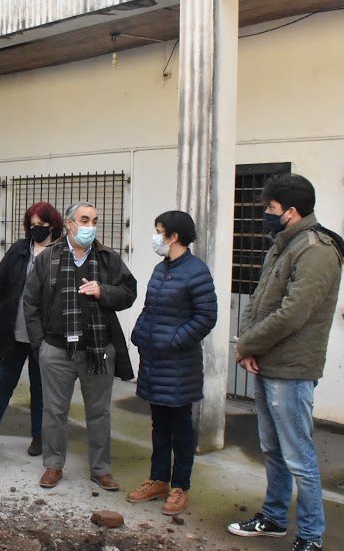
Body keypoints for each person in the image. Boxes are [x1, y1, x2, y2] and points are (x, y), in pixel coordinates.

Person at [227, 174, 344, 551]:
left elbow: (294, 313)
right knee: (272, 449)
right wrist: (249, 348)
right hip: (265, 363)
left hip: (292, 370)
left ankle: (311, 536)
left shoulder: (315, 250)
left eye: (270, 209)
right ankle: (275, 517)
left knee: (299, 457)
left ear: (291, 212)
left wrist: (246, 344)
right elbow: (260, 299)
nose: (265, 214)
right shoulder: (283, 244)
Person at [24, 200, 137, 491]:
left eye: (94, 220)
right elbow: (31, 303)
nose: (90, 226)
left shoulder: (107, 258)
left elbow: (129, 292)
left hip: (97, 350)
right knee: (54, 411)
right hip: (57, 350)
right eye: (85, 220)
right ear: (70, 223)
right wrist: (40, 345)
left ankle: (100, 469)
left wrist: (104, 291)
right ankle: (53, 465)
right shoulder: (47, 258)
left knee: (99, 413)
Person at [128, 210, 217, 515]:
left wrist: (173, 341)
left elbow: (206, 317)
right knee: (158, 426)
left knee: (181, 428)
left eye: (158, 230)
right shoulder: (159, 269)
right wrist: (139, 333)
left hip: (179, 366)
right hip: (154, 362)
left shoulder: (196, 272)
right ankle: (157, 479)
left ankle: (180, 486)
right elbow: (149, 308)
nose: (155, 237)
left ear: (174, 236)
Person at [0, 202, 63, 457]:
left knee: (40, 388)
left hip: (44, 336)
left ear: (54, 225)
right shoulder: (18, 250)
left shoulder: (61, 252)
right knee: (5, 382)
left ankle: (38, 437)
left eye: (42, 224)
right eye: (33, 224)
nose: (37, 229)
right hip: (14, 332)